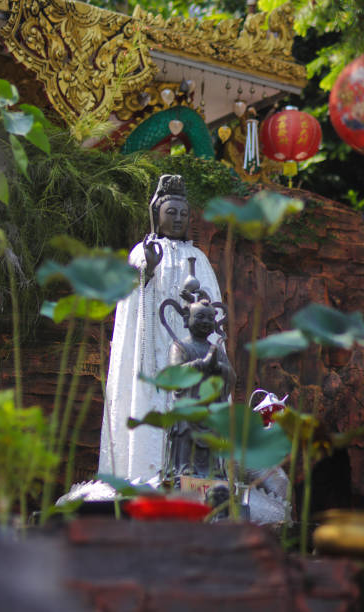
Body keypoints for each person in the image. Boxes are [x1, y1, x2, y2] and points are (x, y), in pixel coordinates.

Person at [98, 175, 225, 482]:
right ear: (157, 215)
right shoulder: (142, 251)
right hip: (154, 349)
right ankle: (142, 473)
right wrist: (149, 271)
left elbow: (213, 308)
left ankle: (196, 478)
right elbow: (133, 293)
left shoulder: (200, 258)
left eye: (183, 214)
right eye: (171, 213)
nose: (178, 219)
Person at [167, 297, 236, 479]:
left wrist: (218, 367)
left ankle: (213, 470)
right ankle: (184, 468)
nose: (206, 322)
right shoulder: (180, 347)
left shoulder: (216, 350)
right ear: (186, 319)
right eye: (200, 317)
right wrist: (200, 364)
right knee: (186, 428)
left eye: (209, 318)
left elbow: (232, 376)